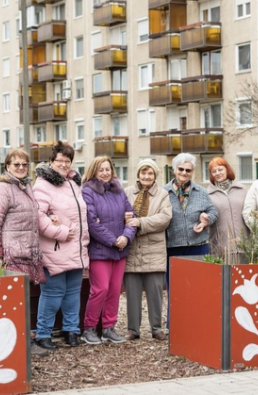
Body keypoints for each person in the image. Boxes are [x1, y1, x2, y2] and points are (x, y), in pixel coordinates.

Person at [0, 148, 50, 357]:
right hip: (11, 254)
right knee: (14, 303)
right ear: (7, 167)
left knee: (21, 301)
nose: (21, 168)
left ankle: (21, 342)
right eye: (16, 164)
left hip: (27, 252)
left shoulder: (25, 186)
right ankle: (17, 345)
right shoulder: (3, 188)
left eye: (24, 164)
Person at [32, 141, 90, 350]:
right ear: (51, 162)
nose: (64, 165)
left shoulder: (74, 183)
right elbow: (38, 217)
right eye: (59, 161)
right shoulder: (43, 185)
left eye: (67, 161)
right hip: (56, 247)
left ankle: (71, 331)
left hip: (76, 248)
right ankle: (43, 333)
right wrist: (62, 232)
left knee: (73, 293)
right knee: (53, 294)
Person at [80, 156, 137, 345]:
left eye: (108, 169)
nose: (105, 173)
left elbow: (132, 217)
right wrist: (114, 241)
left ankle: (108, 328)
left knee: (114, 290)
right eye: (101, 169)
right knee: (100, 289)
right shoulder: (88, 191)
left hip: (120, 250)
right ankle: (89, 328)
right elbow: (92, 222)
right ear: (94, 171)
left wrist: (126, 236)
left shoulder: (119, 191)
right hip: (100, 250)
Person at [164, 153, 218, 328]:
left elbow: (213, 212)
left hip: (198, 247)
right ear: (174, 170)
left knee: (199, 288)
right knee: (176, 289)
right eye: (181, 169)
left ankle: (198, 324)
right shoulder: (164, 192)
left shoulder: (201, 192)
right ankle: (175, 325)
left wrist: (205, 219)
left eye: (188, 170)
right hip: (172, 246)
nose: (184, 173)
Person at [123, 159, 172, 341]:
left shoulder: (163, 194)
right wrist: (125, 217)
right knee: (132, 293)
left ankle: (156, 328)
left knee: (155, 293)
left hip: (154, 251)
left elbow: (165, 218)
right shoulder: (127, 192)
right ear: (138, 174)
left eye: (150, 173)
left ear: (155, 176)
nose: (146, 176)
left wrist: (140, 222)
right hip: (132, 250)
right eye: (143, 173)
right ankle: (133, 330)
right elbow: (118, 212)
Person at [206, 157, 249, 264]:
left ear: (227, 169)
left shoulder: (242, 190)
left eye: (220, 169)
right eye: (214, 171)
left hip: (245, 246)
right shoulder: (207, 194)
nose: (217, 173)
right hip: (221, 247)